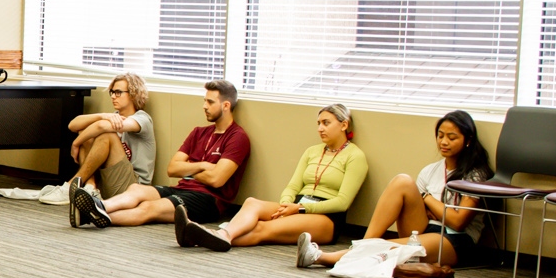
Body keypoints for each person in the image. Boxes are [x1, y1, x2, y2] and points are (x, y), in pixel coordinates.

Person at [300, 110, 493, 269]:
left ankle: (321, 257)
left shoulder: (475, 175)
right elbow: (427, 211)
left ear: (467, 141)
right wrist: (437, 209)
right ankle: (364, 242)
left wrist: (426, 198)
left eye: (452, 138)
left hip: (456, 239)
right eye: (440, 136)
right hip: (425, 228)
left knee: (389, 246)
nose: (443, 142)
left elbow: (458, 222)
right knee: (403, 181)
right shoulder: (431, 170)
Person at [178, 102, 367, 252]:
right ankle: (222, 235)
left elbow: (342, 202)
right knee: (252, 202)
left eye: (326, 123)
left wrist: (299, 209)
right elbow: (293, 186)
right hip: (296, 206)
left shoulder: (355, 156)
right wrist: (285, 205)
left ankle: (200, 238)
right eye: (318, 123)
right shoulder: (313, 151)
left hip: (325, 217)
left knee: (262, 228)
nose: (320, 128)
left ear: (343, 125)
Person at [78, 79, 250, 230]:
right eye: (205, 101)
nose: (204, 106)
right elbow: (173, 169)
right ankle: (98, 206)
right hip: (182, 188)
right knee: (137, 190)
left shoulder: (238, 137)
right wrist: (203, 166)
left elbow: (216, 179)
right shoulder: (199, 132)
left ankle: (90, 216)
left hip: (208, 199)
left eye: (210, 102)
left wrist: (187, 168)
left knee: (149, 208)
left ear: (226, 106)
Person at [65, 72, 154, 226]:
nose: (113, 96)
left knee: (106, 135)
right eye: (112, 92)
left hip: (133, 186)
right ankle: (90, 187)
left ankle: (74, 182)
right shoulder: (112, 116)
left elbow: (102, 127)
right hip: (109, 181)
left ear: (133, 94)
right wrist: (102, 115)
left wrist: (76, 143)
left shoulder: (143, 118)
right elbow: (73, 125)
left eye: (118, 92)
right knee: (86, 131)